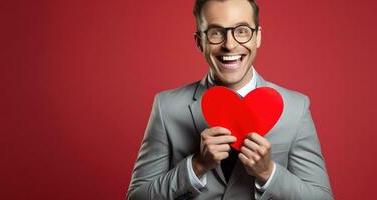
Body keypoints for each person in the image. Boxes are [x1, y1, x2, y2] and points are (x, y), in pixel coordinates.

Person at [126, 0, 333, 199]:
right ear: (200, 41)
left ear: (257, 37)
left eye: (242, 30)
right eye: (216, 32)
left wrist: (268, 173)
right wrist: (197, 165)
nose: (230, 45)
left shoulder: (295, 108)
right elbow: (137, 196)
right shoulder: (166, 107)